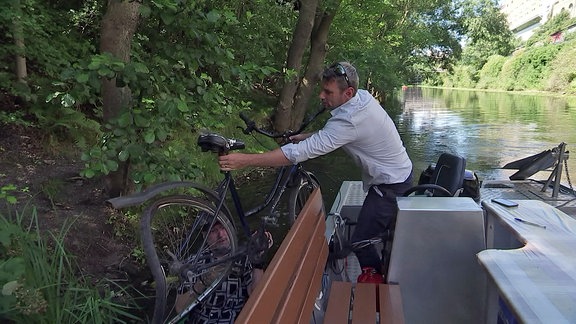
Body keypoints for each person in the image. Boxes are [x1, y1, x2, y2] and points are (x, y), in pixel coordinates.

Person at [218, 62, 413, 281]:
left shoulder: (351, 120)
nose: (321, 96)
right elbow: (334, 133)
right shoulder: (362, 98)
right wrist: (304, 136)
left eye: (328, 92)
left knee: (361, 240)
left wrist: (245, 160)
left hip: (392, 184)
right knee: (365, 232)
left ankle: (375, 283)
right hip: (395, 173)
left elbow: (299, 153)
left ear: (348, 93)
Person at [175, 222, 272, 323]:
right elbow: (180, 308)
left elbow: (256, 295)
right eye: (213, 231)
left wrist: (258, 261)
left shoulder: (244, 258)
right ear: (205, 236)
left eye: (223, 228)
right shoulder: (194, 262)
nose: (221, 235)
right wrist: (203, 282)